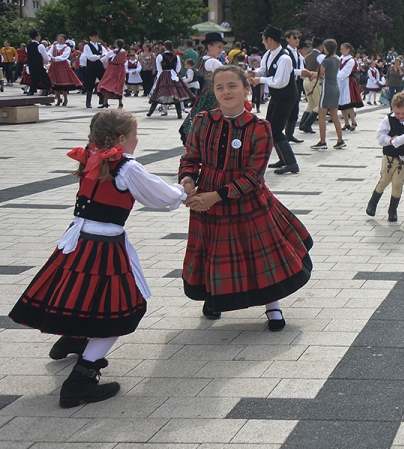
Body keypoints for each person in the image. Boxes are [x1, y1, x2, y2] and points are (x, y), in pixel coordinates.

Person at [8, 110, 187, 408]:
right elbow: (159, 196)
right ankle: (81, 379)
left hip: (77, 239)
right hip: (102, 245)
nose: (137, 140)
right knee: (120, 310)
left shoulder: (93, 156)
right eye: (135, 135)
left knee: (82, 297)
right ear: (121, 138)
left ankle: (75, 338)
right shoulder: (126, 166)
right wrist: (182, 191)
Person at [179, 65, 313, 330]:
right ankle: (214, 297)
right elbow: (190, 158)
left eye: (232, 86)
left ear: (246, 89)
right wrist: (187, 180)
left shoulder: (259, 127)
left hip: (247, 199)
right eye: (220, 87)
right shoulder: (203, 121)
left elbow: (254, 176)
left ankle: (272, 305)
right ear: (213, 91)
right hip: (207, 198)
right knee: (213, 251)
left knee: (259, 255)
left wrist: (216, 196)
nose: (226, 92)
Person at [249, 26, 300, 175]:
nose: (262, 42)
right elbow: (264, 70)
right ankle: (283, 159)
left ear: (269, 39)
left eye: (263, 39)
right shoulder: (268, 54)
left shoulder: (284, 58)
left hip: (286, 97)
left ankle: (292, 163)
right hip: (277, 96)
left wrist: (260, 80)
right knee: (270, 128)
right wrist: (254, 73)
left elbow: (279, 82)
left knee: (276, 129)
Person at [367, 93, 404, 222]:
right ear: (393, 108)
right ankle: (373, 203)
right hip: (390, 155)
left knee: (398, 182)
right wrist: (389, 140)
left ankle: (393, 210)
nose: (400, 116)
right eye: (397, 113)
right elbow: (380, 135)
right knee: (385, 179)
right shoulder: (388, 119)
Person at [178, 33, 227, 145]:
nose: (221, 50)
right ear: (210, 47)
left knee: (204, 118)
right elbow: (228, 75)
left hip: (208, 93)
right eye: (219, 47)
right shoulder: (213, 62)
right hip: (213, 95)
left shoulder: (206, 60)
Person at [311, 40, 346, 150]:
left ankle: (322, 141)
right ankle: (340, 140)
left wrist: (309, 74)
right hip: (335, 87)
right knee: (334, 116)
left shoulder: (326, 61)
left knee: (321, 115)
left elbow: (320, 74)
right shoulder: (337, 59)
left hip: (327, 88)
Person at [146, 41, 193, 119]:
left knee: (159, 93)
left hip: (164, 75)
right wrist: (174, 73)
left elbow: (159, 68)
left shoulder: (160, 56)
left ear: (164, 47)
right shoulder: (176, 56)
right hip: (173, 75)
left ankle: (150, 112)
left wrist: (161, 76)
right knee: (175, 94)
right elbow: (178, 68)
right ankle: (179, 114)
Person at [48, 34, 83, 106]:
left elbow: (64, 56)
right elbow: (49, 53)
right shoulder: (53, 46)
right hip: (54, 65)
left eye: (62, 39)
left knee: (64, 83)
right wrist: (50, 58)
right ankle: (58, 98)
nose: (60, 40)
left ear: (65, 40)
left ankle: (65, 98)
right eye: (59, 39)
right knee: (54, 82)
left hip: (63, 65)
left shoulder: (67, 48)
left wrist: (55, 59)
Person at [336, 43, 363, 131]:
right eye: (341, 49)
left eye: (343, 49)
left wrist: (335, 76)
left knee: (348, 103)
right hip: (341, 82)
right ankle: (346, 123)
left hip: (348, 82)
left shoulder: (351, 60)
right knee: (342, 103)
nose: (341, 51)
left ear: (348, 50)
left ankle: (353, 122)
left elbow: (345, 72)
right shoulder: (340, 59)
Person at [96, 40, 128, 109]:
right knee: (119, 86)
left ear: (116, 44)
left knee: (106, 84)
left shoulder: (112, 52)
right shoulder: (124, 51)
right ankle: (120, 103)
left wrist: (104, 58)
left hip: (112, 69)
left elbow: (103, 59)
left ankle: (105, 102)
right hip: (121, 69)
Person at [79, 30, 107, 109]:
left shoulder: (100, 46)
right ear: (90, 37)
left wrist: (103, 57)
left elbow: (105, 54)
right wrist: (99, 56)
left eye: (97, 37)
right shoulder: (87, 46)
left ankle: (103, 99)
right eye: (94, 37)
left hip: (99, 65)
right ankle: (88, 102)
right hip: (91, 66)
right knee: (90, 84)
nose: (96, 38)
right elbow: (89, 56)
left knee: (103, 82)